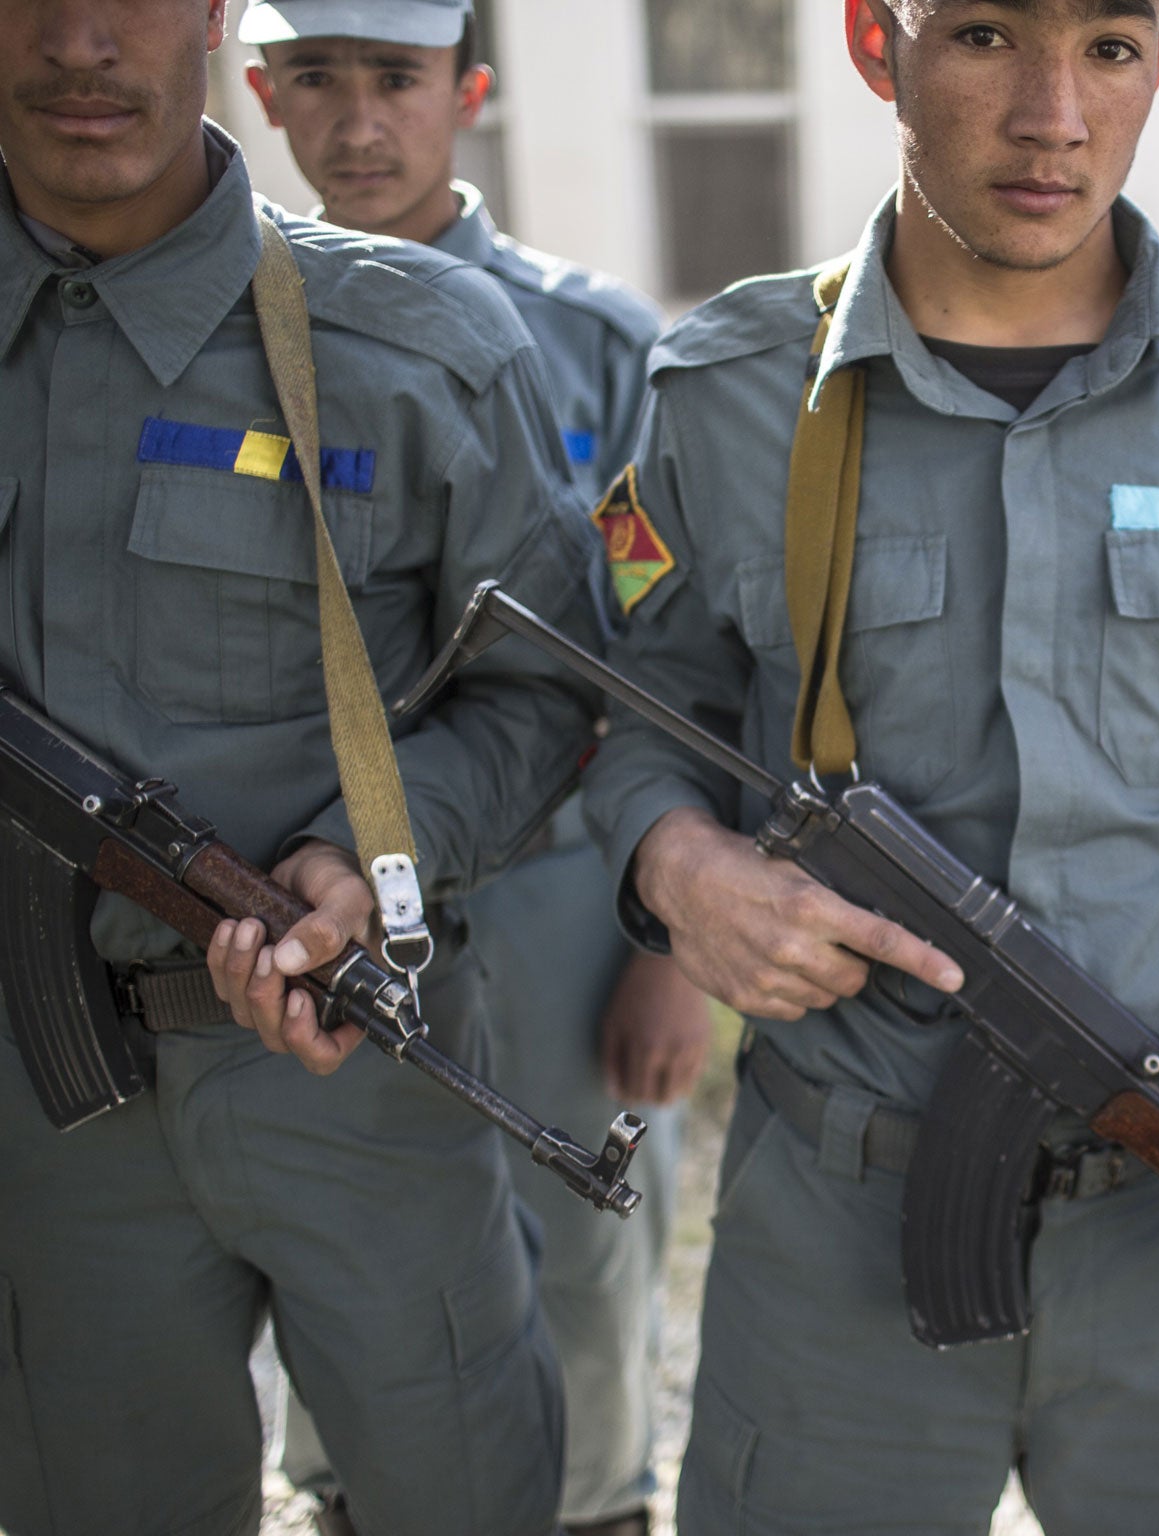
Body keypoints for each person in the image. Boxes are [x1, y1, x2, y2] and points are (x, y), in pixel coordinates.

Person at [579, 2, 1159, 1531]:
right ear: (870, 40)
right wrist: (677, 863)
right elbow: (641, 708)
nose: (1053, 114)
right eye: (983, 34)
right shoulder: (731, 392)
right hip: (838, 1228)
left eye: (1108, 46)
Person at [0, 0, 611, 1532]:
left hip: (355, 1082)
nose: (82, 40)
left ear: (211, 12)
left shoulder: (420, 345)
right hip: (38, 1116)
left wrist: (371, 849)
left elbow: (545, 699)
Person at [238, 3, 703, 1531]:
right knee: (343, 1226)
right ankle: (335, 1496)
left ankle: (595, 1505)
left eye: (396, 79)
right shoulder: (216, 330)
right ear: (261, 94)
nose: (357, 122)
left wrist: (670, 950)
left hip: (566, 887)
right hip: (315, 878)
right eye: (316, 79)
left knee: (577, 1245)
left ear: (470, 93)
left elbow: (674, 660)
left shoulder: (602, 345)